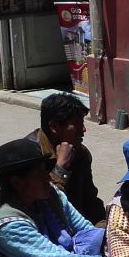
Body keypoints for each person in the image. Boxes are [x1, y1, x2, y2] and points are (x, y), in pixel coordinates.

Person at [27, 90, 105, 225]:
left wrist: (102, 228)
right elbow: (43, 206)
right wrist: (60, 168)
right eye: (76, 124)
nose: (83, 129)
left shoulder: (80, 154)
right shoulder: (30, 156)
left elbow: (90, 201)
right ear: (54, 127)